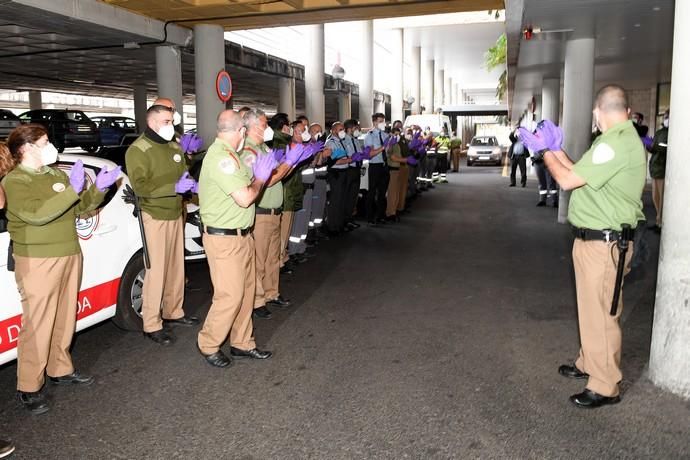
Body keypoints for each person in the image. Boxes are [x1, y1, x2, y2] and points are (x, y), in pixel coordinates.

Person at [521, 85, 645, 408]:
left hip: (603, 244)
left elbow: (565, 180)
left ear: (597, 112)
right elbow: (579, 172)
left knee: (602, 314)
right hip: (597, 242)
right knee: (591, 310)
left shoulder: (613, 144)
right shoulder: (617, 141)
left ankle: (605, 385)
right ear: (627, 111)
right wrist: (558, 149)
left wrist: (543, 151)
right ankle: (590, 363)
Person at [2, 124, 120, 414]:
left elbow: (79, 208)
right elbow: (37, 214)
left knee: (66, 315)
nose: (50, 145)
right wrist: (71, 190)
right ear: (26, 148)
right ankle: (29, 385)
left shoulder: (55, 174)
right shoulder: (15, 181)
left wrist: (99, 188)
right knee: (38, 323)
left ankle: (60, 368)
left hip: (69, 252)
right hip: (38, 258)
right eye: (44, 142)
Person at [196, 110, 274, 367]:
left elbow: (246, 185)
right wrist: (261, 178)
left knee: (246, 292)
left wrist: (257, 178)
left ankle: (242, 342)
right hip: (225, 239)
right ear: (240, 131)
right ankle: (208, 344)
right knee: (229, 296)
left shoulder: (232, 157)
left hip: (242, 236)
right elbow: (245, 197)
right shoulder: (221, 159)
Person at [125, 102, 199, 346]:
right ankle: (152, 323)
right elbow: (141, 187)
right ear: (152, 122)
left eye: (172, 121)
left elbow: (182, 173)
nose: (172, 126)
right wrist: (173, 188)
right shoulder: (139, 150)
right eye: (167, 122)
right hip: (154, 214)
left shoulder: (172, 145)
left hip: (175, 211)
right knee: (155, 270)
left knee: (177, 266)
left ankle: (173, 311)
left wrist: (189, 181)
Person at [242, 109, 293, 320]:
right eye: (264, 124)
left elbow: (277, 177)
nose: (268, 128)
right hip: (261, 212)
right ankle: (257, 300)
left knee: (273, 257)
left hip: (274, 211)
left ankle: (272, 293)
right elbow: (267, 181)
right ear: (253, 127)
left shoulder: (264, 148)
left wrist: (291, 163)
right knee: (259, 260)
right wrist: (288, 163)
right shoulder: (249, 151)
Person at [324, 121, 351, 235]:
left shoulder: (341, 142)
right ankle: (332, 226)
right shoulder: (330, 143)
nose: (342, 131)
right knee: (335, 200)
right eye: (340, 129)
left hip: (343, 172)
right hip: (336, 173)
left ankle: (339, 225)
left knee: (342, 200)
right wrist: (351, 159)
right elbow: (335, 161)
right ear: (334, 130)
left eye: (343, 129)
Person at [363, 113, 390, 225]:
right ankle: (369, 217)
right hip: (375, 165)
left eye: (383, 121)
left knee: (382, 192)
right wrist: (383, 147)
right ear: (374, 122)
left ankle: (381, 215)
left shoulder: (385, 135)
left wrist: (389, 147)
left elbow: (388, 152)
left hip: (384, 165)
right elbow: (370, 154)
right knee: (372, 192)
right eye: (380, 121)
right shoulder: (369, 136)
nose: (383, 123)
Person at [648, 110, 668, 232]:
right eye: (665, 116)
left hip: (663, 169)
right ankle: (658, 219)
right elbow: (655, 147)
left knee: (662, 198)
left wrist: (654, 146)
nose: (666, 118)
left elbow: (665, 147)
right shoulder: (660, 132)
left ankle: (660, 222)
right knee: (655, 197)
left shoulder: (673, 132)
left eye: (668, 116)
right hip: (655, 168)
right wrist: (648, 145)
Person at [342, 118, 363, 229]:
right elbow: (346, 155)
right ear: (350, 128)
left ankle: (349, 218)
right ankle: (344, 220)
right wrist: (353, 157)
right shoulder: (344, 140)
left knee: (353, 196)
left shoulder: (355, 140)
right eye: (356, 128)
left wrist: (364, 154)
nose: (357, 130)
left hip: (356, 169)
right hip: (349, 169)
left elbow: (359, 153)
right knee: (347, 196)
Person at [384, 126, 407, 222]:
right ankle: (390, 213)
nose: (397, 136)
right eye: (395, 134)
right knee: (392, 192)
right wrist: (406, 160)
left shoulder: (398, 142)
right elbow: (389, 154)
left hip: (398, 168)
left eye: (398, 134)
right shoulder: (389, 141)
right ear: (391, 133)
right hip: (392, 168)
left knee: (397, 192)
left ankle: (395, 211)